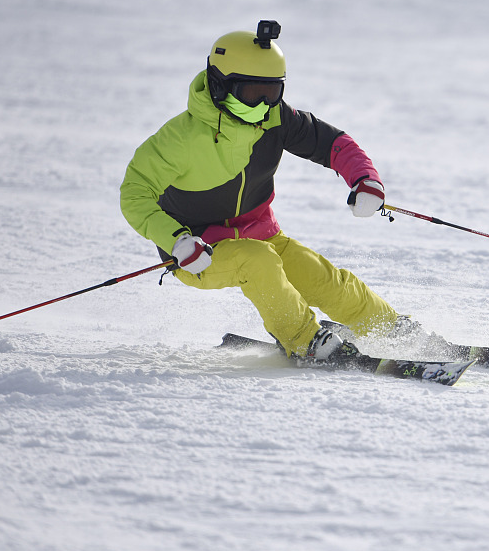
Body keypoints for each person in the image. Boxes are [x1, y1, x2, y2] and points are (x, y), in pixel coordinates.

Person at [119, 20, 396, 365]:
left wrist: (364, 179)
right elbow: (134, 193)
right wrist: (176, 240)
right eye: (252, 93)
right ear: (220, 86)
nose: (263, 105)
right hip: (199, 251)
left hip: (262, 233)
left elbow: (332, 143)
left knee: (322, 279)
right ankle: (305, 341)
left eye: (272, 93)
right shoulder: (180, 140)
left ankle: (392, 330)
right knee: (258, 262)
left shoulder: (273, 119)